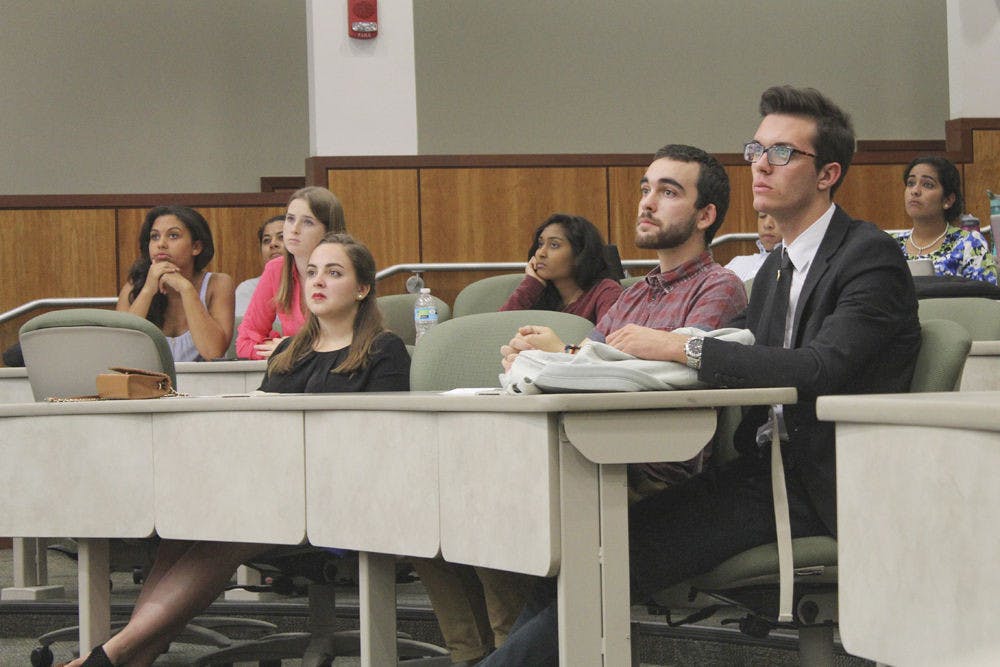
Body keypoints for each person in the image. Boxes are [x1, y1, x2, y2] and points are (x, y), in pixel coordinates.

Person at [484, 86, 922, 666]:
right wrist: (566, 358)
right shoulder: (773, 272)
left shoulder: (869, 257)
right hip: (760, 470)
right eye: (756, 149)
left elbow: (821, 368)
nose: (761, 165)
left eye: (783, 154)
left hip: (823, 481)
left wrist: (682, 345)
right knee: (576, 556)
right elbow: (731, 363)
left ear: (828, 174)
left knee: (607, 560)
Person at [63, 233, 408, 667]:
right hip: (272, 492)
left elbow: (385, 443)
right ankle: (129, 657)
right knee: (184, 526)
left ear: (362, 289)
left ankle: (110, 656)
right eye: (312, 272)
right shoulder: (289, 352)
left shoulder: (384, 349)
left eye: (334, 273)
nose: (318, 281)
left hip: (341, 499)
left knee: (229, 527)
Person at [236, 186, 346, 360]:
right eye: (290, 219)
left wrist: (291, 348)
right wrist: (282, 351)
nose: (294, 229)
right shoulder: (276, 269)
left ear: (329, 230)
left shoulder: (345, 269)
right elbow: (244, 341)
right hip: (295, 375)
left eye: (307, 222)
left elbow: (345, 341)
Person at [117, 206, 234, 362]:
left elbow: (213, 352)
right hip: (148, 384)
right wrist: (147, 291)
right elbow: (120, 348)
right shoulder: (135, 286)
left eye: (173, 236)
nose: (161, 244)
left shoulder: (218, 283)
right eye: (155, 237)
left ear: (196, 247)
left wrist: (186, 289)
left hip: (204, 384)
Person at [499, 213, 623, 323]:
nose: (541, 253)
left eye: (554, 245)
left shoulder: (606, 292)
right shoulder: (539, 293)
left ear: (580, 253)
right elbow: (497, 331)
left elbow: (608, 345)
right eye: (540, 244)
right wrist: (531, 285)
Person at [893, 155, 997, 284]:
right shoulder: (891, 245)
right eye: (911, 183)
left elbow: (987, 298)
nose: (915, 191)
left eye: (927, 185)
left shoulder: (969, 243)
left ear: (948, 200)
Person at [234, 214, 285, 317]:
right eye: (267, 240)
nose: (273, 244)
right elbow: (247, 330)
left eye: (281, 237)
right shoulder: (248, 289)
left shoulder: (311, 285)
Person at [724, 210, 782, 281]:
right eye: (762, 216)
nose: (767, 224)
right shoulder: (736, 263)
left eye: (777, 216)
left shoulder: (793, 268)